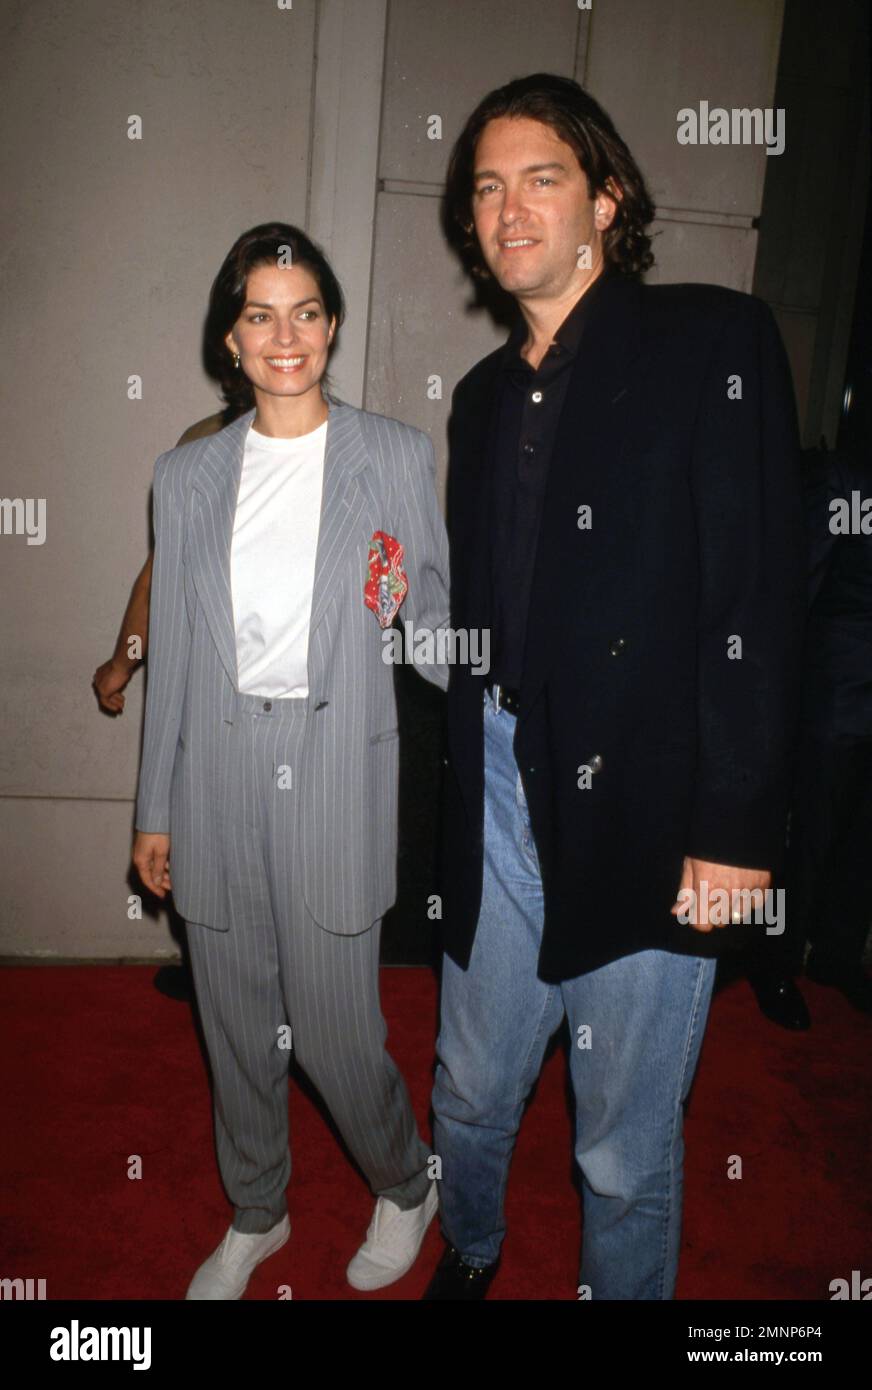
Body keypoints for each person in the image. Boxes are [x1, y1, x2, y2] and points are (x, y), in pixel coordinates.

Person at [425, 74, 807, 1300]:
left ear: (606, 199)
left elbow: (753, 600)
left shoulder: (712, 340)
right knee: (469, 1088)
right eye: (485, 186)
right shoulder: (481, 401)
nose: (508, 206)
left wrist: (733, 833)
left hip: (650, 802)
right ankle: (472, 1250)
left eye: (540, 177)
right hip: (494, 778)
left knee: (618, 1143)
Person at [132, 222, 449, 1299]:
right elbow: (170, 652)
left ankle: (404, 1182)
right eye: (260, 314)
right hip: (215, 773)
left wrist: (410, 604)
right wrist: (151, 810)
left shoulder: (396, 456)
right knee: (232, 1026)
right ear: (230, 336)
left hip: (334, 771)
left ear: (332, 326)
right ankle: (257, 1209)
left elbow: (438, 643)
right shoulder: (184, 476)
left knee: (334, 1032)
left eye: (306, 311)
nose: (286, 334)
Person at [749, 446, 872, 1023]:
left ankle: (837, 957)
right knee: (809, 840)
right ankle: (772, 961)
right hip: (836, 696)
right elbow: (799, 589)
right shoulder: (844, 479)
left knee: (862, 840)